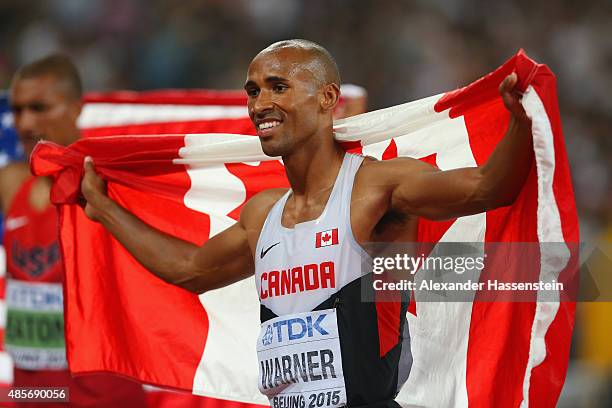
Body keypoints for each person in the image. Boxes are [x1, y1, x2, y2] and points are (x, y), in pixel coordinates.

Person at [81, 39, 532, 407]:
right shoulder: (264, 213)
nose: (261, 103)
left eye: (278, 86)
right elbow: (190, 270)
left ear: (328, 98)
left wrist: (519, 121)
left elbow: (488, 188)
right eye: (254, 91)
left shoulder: (376, 186)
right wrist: (104, 210)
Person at [3, 54, 147, 407]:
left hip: (100, 393)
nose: (25, 122)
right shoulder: (10, 184)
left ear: (77, 108)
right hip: (33, 392)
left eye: (39, 108)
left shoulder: (108, 183)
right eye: (18, 110)